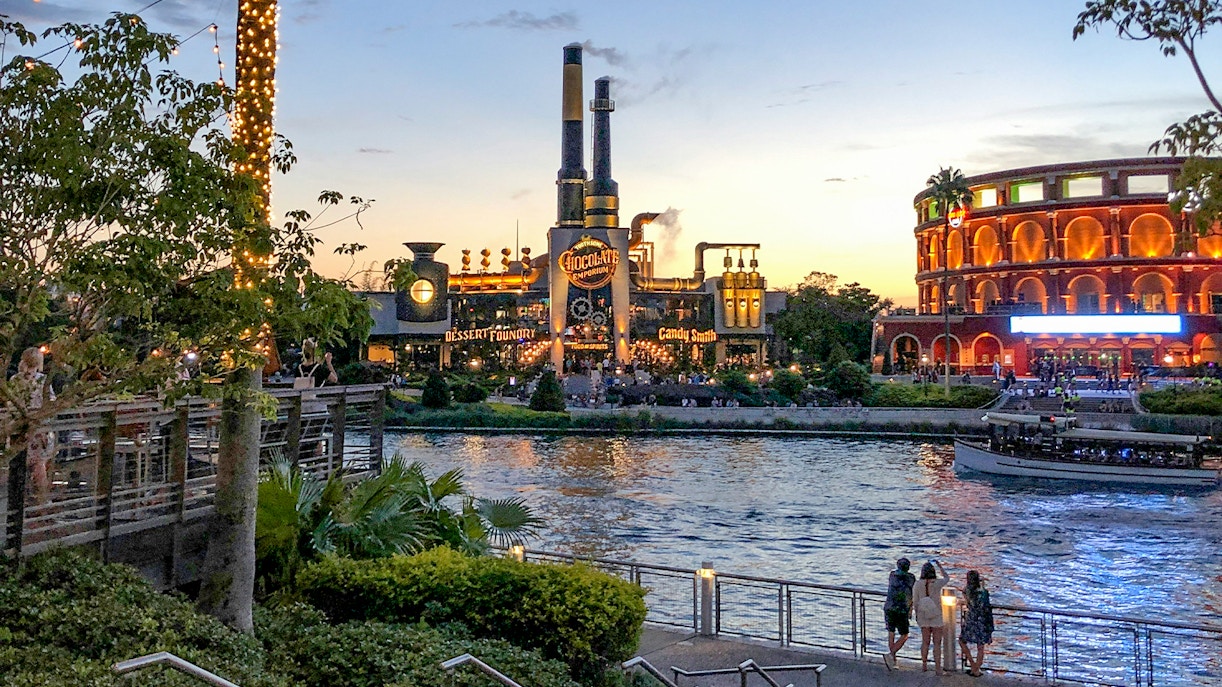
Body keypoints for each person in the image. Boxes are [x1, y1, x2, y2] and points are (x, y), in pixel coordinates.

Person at [10, 347, 56, 504]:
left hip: (19, 427)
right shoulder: (43, 381)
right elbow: (51, 403)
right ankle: (40, 500)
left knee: (18, 464)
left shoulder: (15, 380)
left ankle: (17, 501)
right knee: (39, 466)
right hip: (38, 428)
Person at [914, 560, 949, 674]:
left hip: (923, 615)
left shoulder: (917, 584)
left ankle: (924, 664)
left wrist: (916, 614)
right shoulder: (937, 583)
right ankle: (938, 667)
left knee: (925, 642)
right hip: (936, 615)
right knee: (937, 643)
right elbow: (947, 578)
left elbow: (915, 601)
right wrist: (940, 566)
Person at [958, 570, 994, 677]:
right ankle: (976, 669)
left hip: (971, 619)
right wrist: (982, 585)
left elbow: (969, 601)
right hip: (983, 619)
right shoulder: (983, 592)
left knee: (962, 641)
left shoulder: (966, 591)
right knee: (980, 646)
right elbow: (985, 603)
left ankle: (973, 664)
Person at [883, 557, 915, 670]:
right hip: (901, 610)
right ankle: (891, 655)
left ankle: (893, 660)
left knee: (891, 632)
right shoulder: (911, 578)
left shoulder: (892, 575)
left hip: (889, 607)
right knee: (904, 634)